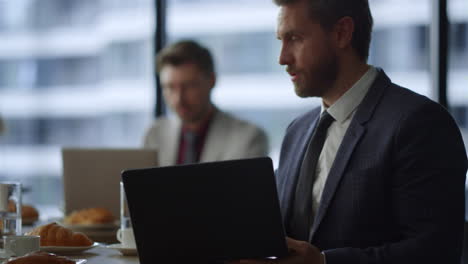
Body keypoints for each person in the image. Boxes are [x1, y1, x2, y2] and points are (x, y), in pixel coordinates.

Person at [235, 0, 468, 263]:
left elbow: (435, 252)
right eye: (281, 40)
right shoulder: (297, 131)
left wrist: (324, 263)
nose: (282, 58)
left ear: (342, 33)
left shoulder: (419, 123)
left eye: (295, 38)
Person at [143, 40, 268, 166]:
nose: (178, 99)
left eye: (189, 86)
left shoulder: (248, 138)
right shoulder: (154, 135)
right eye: (170, 87)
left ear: (212, 81)